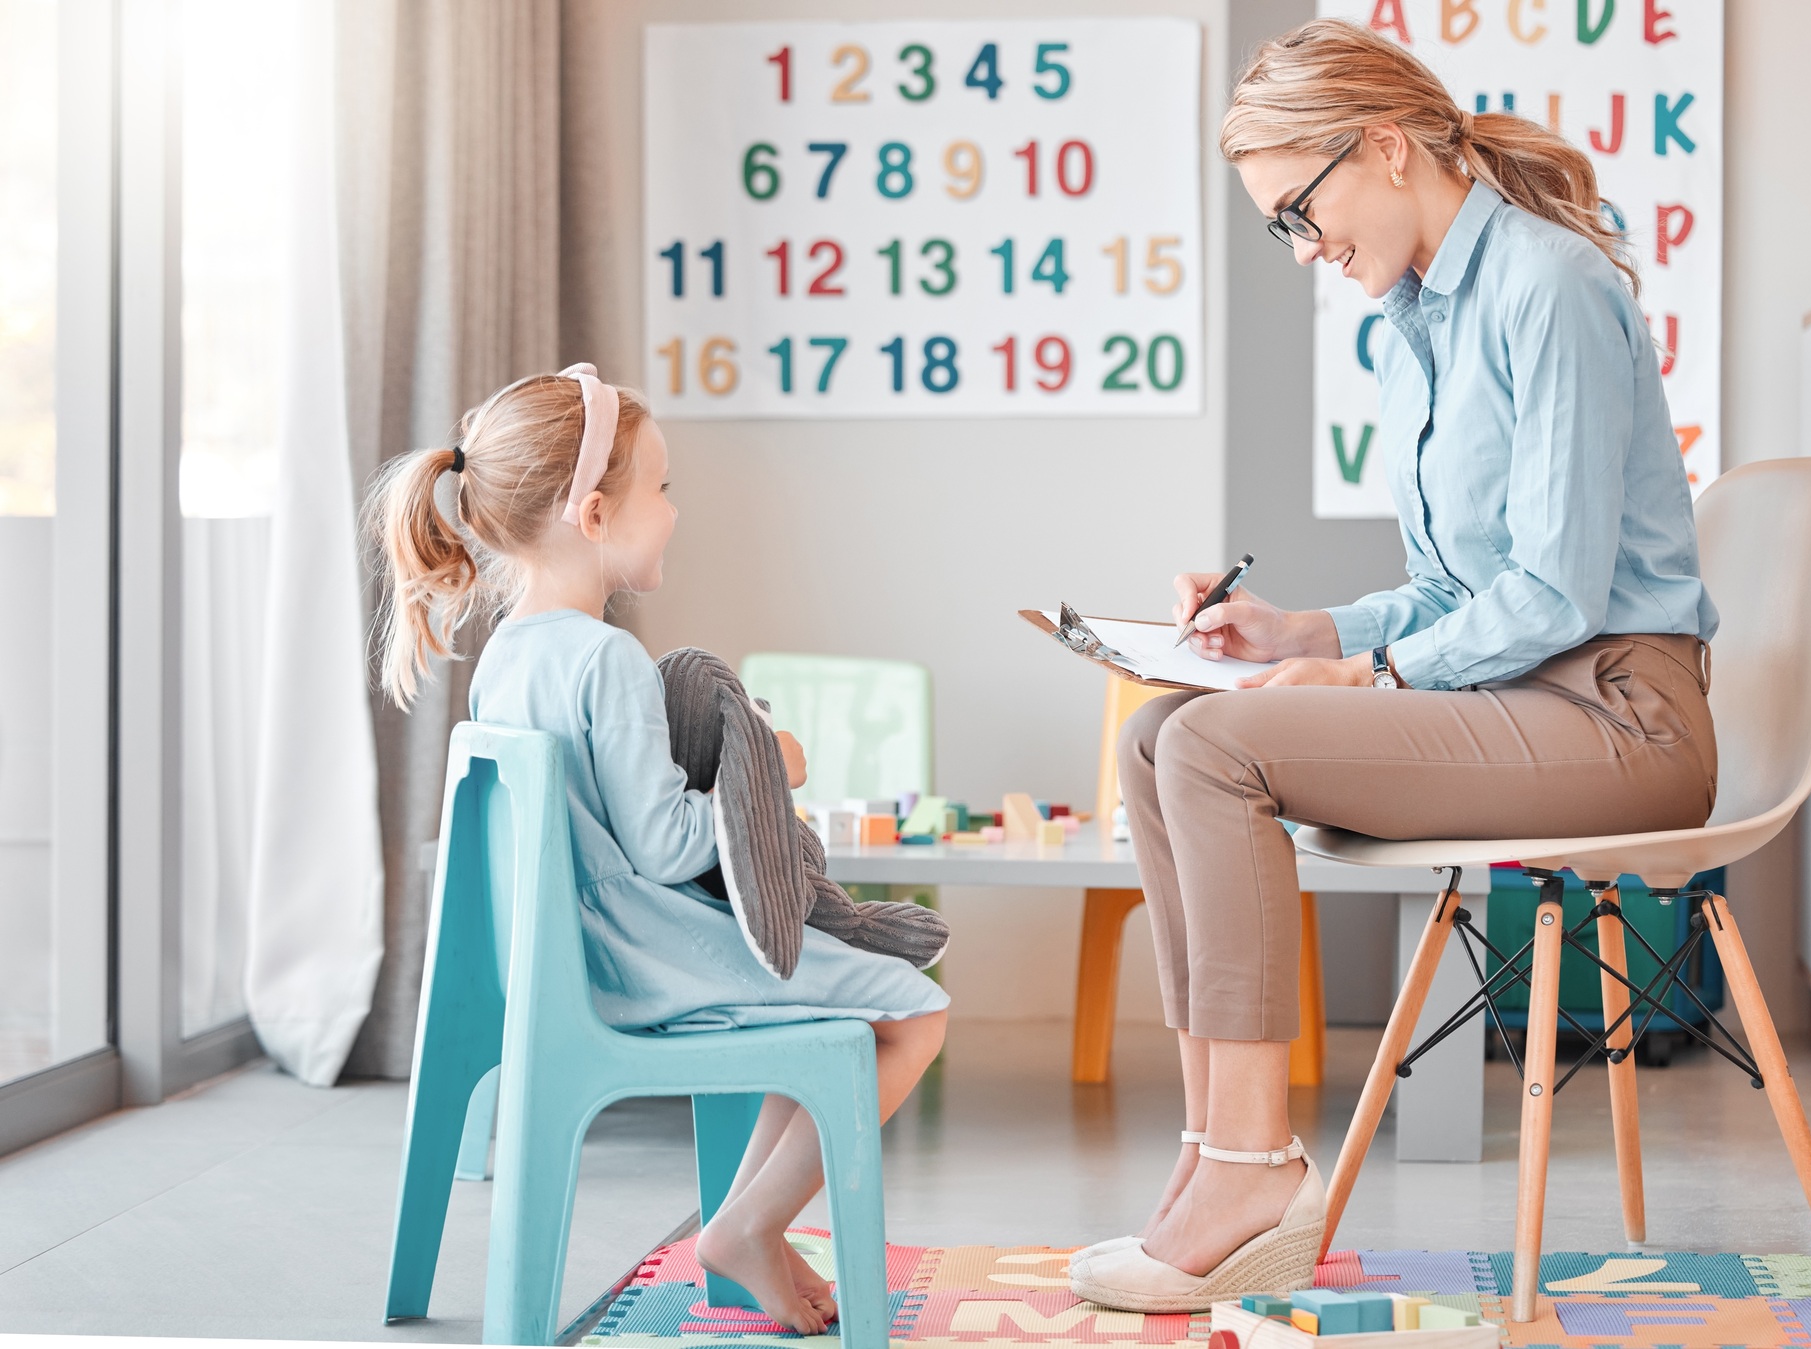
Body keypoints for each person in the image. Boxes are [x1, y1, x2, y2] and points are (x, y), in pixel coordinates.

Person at [1068, 20, 1718, 1313]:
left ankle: (1253, 1170)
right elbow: (1454, 590)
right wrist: (1304, 635)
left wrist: (1372, 685)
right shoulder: (1424, 316)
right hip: (1523, 692)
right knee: (1162, 731)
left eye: (1301, 212)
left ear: (1384, 144)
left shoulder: (1552, 286)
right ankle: (1214, 1151)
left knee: (1212, 746)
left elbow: (1557, 590)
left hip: (1621, 716)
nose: (1306, 250)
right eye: (1282, 228)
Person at [370, 364, 949, 1334]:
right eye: (662, 488)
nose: (674, 512)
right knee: (914, 1012)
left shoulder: (506, 658)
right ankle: (745, 1225)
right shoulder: (606, 659)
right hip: (638, 959)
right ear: (594, 513)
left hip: (561, 958)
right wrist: (763, 762)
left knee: (822, 1006)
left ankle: (743, 1226)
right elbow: (665, 842)